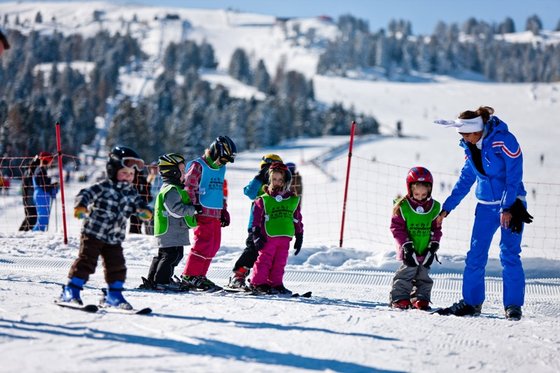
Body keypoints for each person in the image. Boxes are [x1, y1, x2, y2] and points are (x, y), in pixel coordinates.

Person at [434, 106, 533, 320]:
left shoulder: (505, 140)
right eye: (461, 135)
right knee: (475, 256)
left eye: (466, 134)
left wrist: (507, 207)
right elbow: (465, 180)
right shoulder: (470, 148)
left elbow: (514, 176)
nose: (464, 139)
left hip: (512, 204)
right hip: (486, 207)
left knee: (509, 254)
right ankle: (471, 302)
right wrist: (446, 209)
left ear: (477, 129)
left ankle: (513, 305)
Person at [58, 146, 152, 310]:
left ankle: (113, 296)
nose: (128, 177)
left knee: (117, 266)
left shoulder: (131, 193)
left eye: (131, 174)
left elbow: (140, 204)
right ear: (113, 171)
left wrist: (144, 211)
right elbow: (85, 194)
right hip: (93, 234)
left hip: (114, 238)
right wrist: (81, 206)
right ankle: (70, 291)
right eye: (124, 173)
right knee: (86, 262)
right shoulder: (103, 187)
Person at [179, 136, 237, 291]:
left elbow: (220, 191)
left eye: (226, 161)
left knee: (214, 245)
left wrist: (224, 209)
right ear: (214, 151)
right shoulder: (199, 166)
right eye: (222, 159)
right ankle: (190, 275)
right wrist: (193, 206)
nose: (223, 163)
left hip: (215, 212)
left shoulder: (221, 169)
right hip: (202, 211)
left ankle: (200, 275)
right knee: (203, 243)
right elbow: (189, 187)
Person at [227, 153, 283, 289]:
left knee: (269, 254)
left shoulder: (279, 184)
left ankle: (267, 280)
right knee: (253, 249)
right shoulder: (259, 183)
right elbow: (250, 192)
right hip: (257, 225)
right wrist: (259, 177)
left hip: (273, 227)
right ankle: (238, 276)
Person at [389, 167, 442, 310]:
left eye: (424, 194)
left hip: (425, 248)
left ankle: (420, 298)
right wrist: (406, 245)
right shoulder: (403, 206)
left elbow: (436, 228)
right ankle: (399, 297)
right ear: (410, 189)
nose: (420, 197)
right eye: (417, 194)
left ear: (429, 191)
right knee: (407, 273)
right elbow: (396, 228)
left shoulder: (434, 207)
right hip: (408, 248)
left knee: (423, 275)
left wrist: (433, 245)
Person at [143, 153, 197, 291]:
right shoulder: (171, 190)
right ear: (173, 172)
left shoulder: (175, 188)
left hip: (173, 230)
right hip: (169, 230)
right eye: (182, 170)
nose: (184, 174)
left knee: (166, 255)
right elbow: (175, 210)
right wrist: (193, 210)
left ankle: (154, 278)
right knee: (171, 255)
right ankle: (162, 281)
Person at [249, 162, 303, 294]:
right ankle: (258, 283)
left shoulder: (292, 200)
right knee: (265, 260)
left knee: (280, 262)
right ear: (269, 179)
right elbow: (256, 219)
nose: (277, 182)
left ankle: (276, 283)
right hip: (268, 236)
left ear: (286, 181)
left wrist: (299, 235)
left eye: (280, 180)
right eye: (274, 179)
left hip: (285, 237)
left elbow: (296, 218)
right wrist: (256, 235)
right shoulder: (263, 200)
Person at [32, 152, 59, 231]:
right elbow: (44, 186)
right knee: (43, 217)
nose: (51, 163)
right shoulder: (41, 171)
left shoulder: (40, 170)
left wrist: (52, 185)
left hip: (41, 194)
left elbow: (44, 184)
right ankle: (36, 233)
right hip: (41, 194)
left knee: (44, 216)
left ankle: (38, 233)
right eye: (50, 161)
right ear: (47, 161)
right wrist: (53, 186)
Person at [19, 155, 40, 231]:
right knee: (32, 217)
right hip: (29, 198)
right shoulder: (31, 172)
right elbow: (32, 184)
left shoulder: (29, 171)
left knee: (29, 217)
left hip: (28, 197)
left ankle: (21, 232)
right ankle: (25, 232)